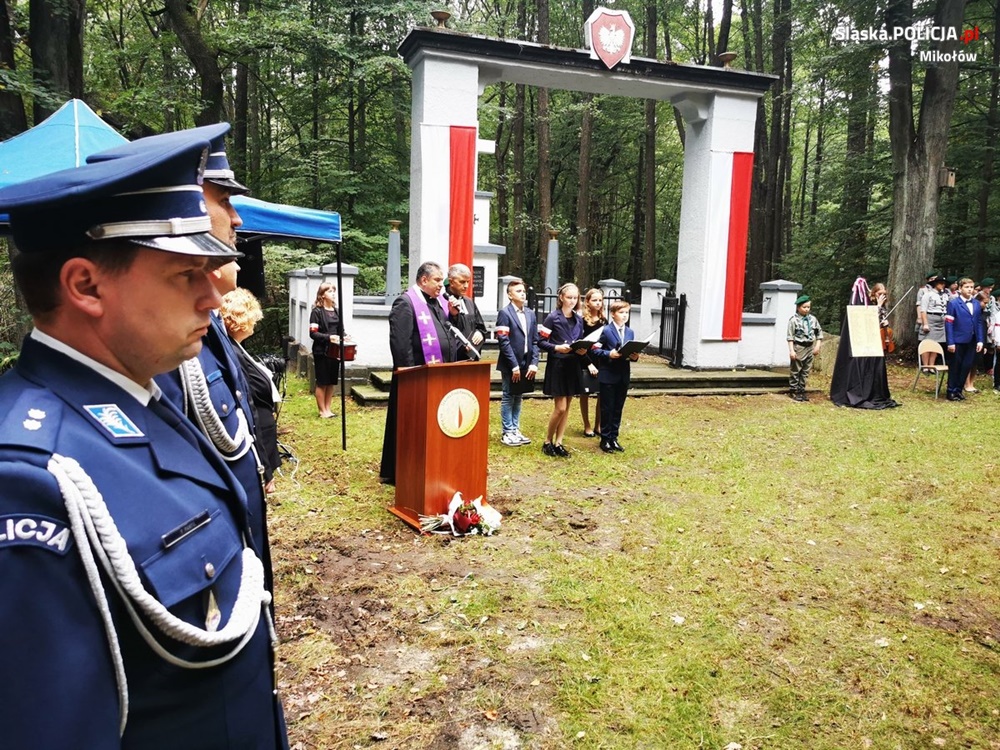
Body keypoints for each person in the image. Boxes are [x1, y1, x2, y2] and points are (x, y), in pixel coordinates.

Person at [0, 132, 287, 747]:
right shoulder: (27, 479)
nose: (215, 295)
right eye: (187, 273)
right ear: (86, 286)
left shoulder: (143, 394)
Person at [378, 261, 456, 484]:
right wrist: (411, 375)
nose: (443, 285)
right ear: (424, 280)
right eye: (438, 280)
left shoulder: (438, 302)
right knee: (408, 424)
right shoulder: (406, 303)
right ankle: (400, 469)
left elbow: (447, 334)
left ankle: (429, 463)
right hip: (415, 377)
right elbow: (401, 344)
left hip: (437, 375)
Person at [221, 288, 282, 494]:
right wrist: (264, 469)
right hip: (257, 441)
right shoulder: (232, 351)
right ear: (241, 318)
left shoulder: (235, 346)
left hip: (263, 436)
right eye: (253, 316)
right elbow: (248, 406)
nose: (256, 321)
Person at [538, 283, 588, 457]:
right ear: (561, 298)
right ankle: (547, 441)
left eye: (576, 298)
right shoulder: (552, 317)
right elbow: (541, 341)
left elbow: (580, 340)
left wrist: (583, 350)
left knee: (567, 407)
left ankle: (559, 442)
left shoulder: (579, 319)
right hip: (558, 365)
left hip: (572, 365)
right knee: (560, 407)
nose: (573, 301)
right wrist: (557, 348)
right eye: (569, 297)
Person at [495, 277, 539, 446]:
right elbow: (504, 342)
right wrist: (513, 365)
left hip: (526, 362)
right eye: (518, 291)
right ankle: (507, 432)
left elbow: (535, 340)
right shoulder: (505, 313)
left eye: (523, 291)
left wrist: (534, 362)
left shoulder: (530, 313)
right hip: (510, 363)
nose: (522, 294)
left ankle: (515, 429)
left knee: (518, 395)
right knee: (508, 396)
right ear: (509, 295)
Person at [593, 299, 639, 453]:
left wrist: (634, 356)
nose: (625, 316)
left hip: (623, 374)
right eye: (621, 312)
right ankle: (605, 438)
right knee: (607, 407)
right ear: (613, 314)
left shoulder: (630, 332)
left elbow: (632, 350)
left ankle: (614, 437)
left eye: (627, 312)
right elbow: (594, 350)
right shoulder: (606, 331)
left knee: (618, 407)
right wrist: (609, 354)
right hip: (608, 374)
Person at [309, 281, 347, 418]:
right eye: (330, 291)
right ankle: (322, 410)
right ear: (322, 295)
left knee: (331, 381)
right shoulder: (316, 312)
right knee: (322, 381)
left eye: (334, 291)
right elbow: (313, 333)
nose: (333, 294)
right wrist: (329, 337)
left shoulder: (337, 311)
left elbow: (341, 331)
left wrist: (345, 338)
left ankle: (328, 409)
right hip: (321, 351)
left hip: (335, 351)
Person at [944, 277, 985, 401]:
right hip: (957, 339)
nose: (969, 289)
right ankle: (951, 391)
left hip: (972, 340)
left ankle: (959, 390)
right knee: (956, 365)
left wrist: (980, 340)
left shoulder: (976, 304)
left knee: (966, 365)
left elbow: (978, 322)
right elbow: (949, 323)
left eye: (971, 287)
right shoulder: (953, 303)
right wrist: (950, 342)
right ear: (960, 288)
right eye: (967, 287)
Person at [444, 263, 487, 360]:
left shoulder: (469, 302)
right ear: (451, 282)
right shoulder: (442, 302)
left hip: (473, 357)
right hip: (455, 359)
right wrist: (462, 345)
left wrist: (480, 333)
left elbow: (480, 326)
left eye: (468, 282)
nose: (466, 286)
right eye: (462, 282)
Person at [579, 288, 606, 438]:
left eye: (600, 300)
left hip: (600, 360)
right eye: (594, 300)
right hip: (586, 361)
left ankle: (598, 425)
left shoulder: (604, 321)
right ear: (587, 302)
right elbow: (580, 346)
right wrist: (588, 363)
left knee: (601, 393)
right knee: (585, 393)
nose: (598, 303)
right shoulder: (582, 321)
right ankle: (587, 425)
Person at [786, 294, 823, 402]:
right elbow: (790, 337)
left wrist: (817, 346)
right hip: (799, 346)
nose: (807, 309)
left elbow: (819, 333)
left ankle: (802, 390)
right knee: (796, 369)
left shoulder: (813, 319)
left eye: (808, 307)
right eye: (804, 307)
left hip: (810, 347)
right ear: (798, 308)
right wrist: (792, 350)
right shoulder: (793, 320)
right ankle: (794, 390)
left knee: (806, 370)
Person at [920, 276, 950, 364]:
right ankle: (925, 366)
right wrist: (925, 323)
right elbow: (923, 310)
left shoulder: (945, 295)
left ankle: (932, 365)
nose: (942, 285)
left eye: (944, 284)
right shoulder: (928, 295)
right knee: (927, 343)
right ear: (935, 284)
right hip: (931, 318)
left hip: (942, 319)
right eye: (941, 283)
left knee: (937, 343)